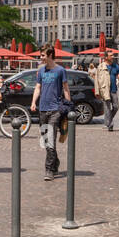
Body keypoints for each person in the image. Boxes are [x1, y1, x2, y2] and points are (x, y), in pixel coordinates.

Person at [30, 50, 72, 180]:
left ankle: (49, 170)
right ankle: (56, 161)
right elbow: (38, 87)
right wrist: (33, 102)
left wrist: (69, 106)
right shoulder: (41, 71)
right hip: (43, 109)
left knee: (50, 138)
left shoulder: (60, 70)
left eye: (42, 55)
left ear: (50, 56)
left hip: (55, 109)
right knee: (46, 140)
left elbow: (65, 88)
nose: (40, 57)